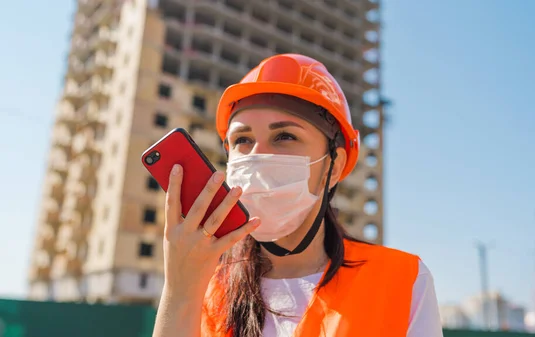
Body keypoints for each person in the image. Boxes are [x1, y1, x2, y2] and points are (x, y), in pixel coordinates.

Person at [152, 54, 443, 337]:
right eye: (242, 140)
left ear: (335, 164)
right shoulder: (207, 289)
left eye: (285, 136)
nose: (258, 155)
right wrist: (179, 292)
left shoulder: (402, 281)